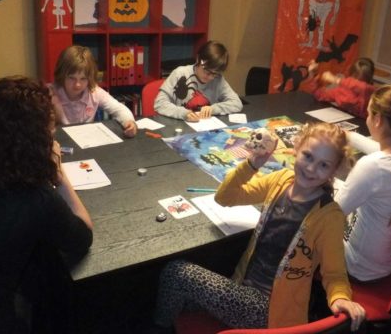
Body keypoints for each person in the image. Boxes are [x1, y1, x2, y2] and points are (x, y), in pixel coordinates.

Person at [153, 122, 365, 331]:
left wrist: (340, 298)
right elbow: (225, 197)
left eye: (324, 165)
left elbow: (334, 273)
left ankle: (160, 328)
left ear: (334, 170)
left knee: (176, 273)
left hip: (269, 311)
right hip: (241, 288)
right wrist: (252, 164)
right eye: (308, 156)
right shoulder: (281, 179)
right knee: (182, 295)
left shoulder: (329, 217)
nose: (311, 168)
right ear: (296, 148)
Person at [0, 76, 93, 333]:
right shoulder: (35, 195)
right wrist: (59, 174)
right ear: (34, 141)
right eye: (50, 132)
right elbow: (82, 236)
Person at [337, 85, 391, 282]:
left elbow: (334, 212)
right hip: (386, 263)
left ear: (378, 120)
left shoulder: (372, 166)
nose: (367, 118)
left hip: (358, 268)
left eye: (368, 114)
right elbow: (382, 152)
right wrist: (349, 136)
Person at [49, 45, 138, 137]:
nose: (77, 85)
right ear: (62, 75)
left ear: (89, 78)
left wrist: (129, 122)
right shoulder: (50, 93)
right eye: (71, 78)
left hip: (85, 141)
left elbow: (119, 109)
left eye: (83, 79)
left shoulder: (94, 92)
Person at [154, 40, 243, 121]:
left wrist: (214, 109)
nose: (210, 77)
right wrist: (183, 113)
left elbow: (237, 103)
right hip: (179, 126)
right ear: (198, 59)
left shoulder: (218, 79)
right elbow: (159, 103)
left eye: (215, 74)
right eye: (207, 71)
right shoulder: (179, 73)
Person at [304, 57, 376, 118]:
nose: (355, 83)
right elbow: (320, 95)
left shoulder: (371, 91)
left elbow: (362, 87)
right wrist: (313, 74)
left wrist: (336, 80)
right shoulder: (342, 89)